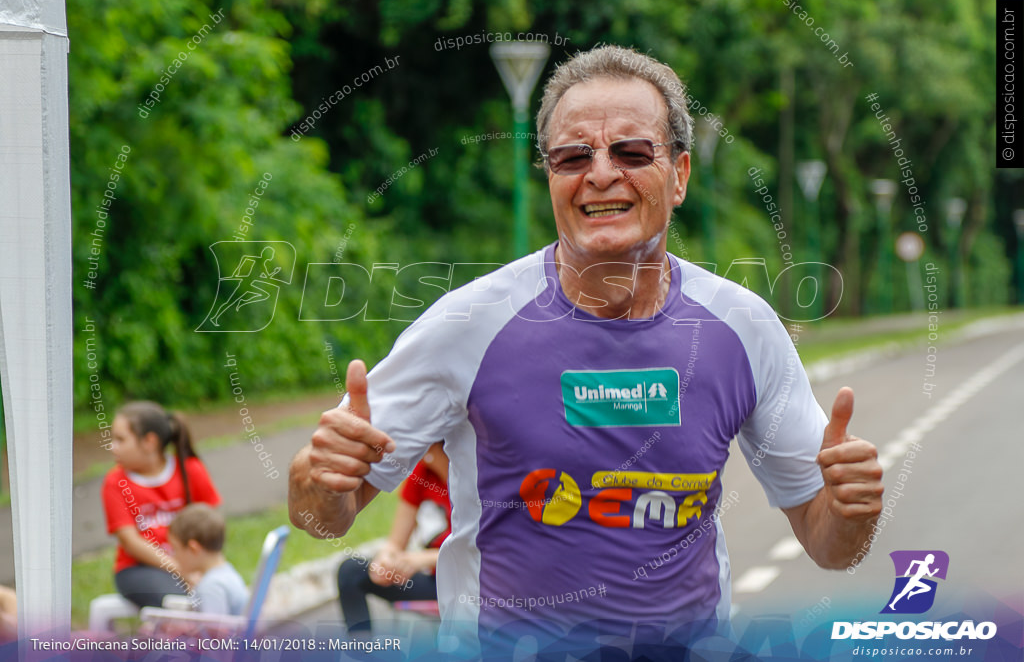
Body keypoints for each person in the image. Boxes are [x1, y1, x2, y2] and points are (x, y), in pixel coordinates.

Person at [288, 45, 883, 656]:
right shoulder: (465, 326)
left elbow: (830, 544)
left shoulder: (743, 328)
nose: (600, 174)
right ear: (551, 178)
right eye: (573, 156)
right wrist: (316, 477)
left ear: (678, 175)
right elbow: (321, 515)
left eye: (631, 152)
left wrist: (850, 512)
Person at [102, 401, 221, 608]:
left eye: (121, 439)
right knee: (179, 604)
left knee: (219, 592)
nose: (112, 447)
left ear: (149, 441)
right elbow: (130, 542)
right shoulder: (115, 483)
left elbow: (209, 527)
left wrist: (203, 568)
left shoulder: (191, 470)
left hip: (190, 563)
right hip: (138, 569)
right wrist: (181, 570)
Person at [337, 442, 450, 634]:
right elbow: (395, 543)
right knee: (351, 572)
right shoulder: (422, 474)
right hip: (435, 584)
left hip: (474, 587)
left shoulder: (482, 477)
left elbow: (484, 552)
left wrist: (423, 559)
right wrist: (386, 560)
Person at [167, 503, 248, 616]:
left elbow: (215, 630)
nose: (174, 557)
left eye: (176, 549)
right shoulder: (225, 573)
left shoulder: (211, 587)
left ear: (193, 549)